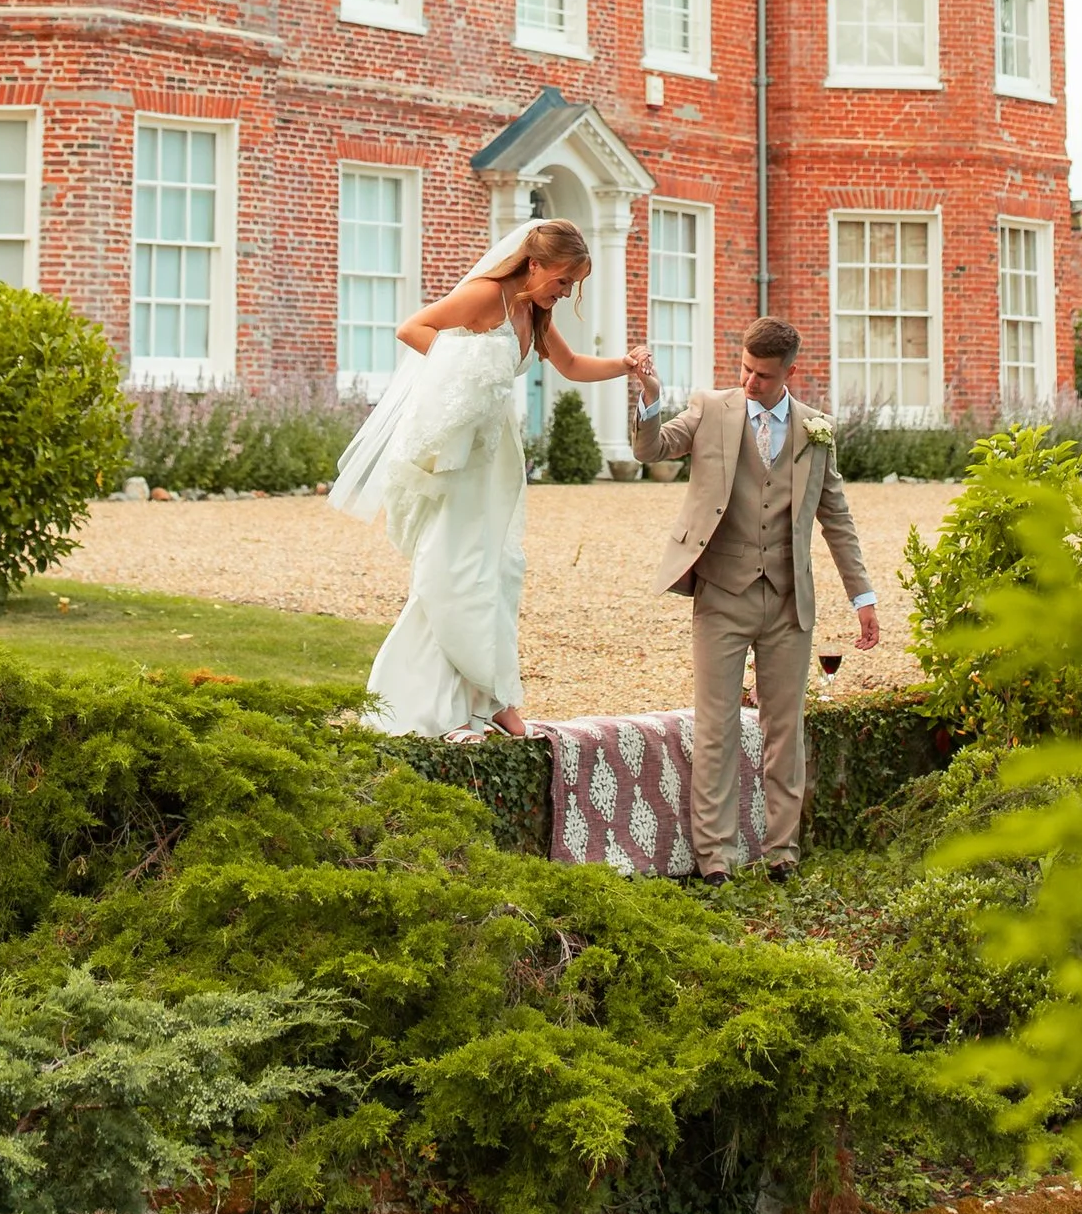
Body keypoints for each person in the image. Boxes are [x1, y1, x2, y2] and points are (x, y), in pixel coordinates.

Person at [330, 218, 650, 737]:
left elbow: (568, 365)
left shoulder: (534, 310)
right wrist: (467, 375)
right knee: (453, 567)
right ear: (535, 264)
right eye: (563, 281)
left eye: (572, 285)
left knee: (498, 569)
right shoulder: (486, 295)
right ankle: (447, 698)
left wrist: (625, 365)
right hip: (460, 451)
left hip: (496, 453)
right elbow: (413, 328)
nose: (565, 293)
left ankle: (491, 696)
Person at [630, 313, 879, 878]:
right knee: (715, 728)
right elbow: (653, 449)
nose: (749, 383)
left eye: (762, 376)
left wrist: (862, 597)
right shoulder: (710, 409)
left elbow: (836, 519)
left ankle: (782, 854)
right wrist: (648, 399)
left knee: (785, 733)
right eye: (744, 369)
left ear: (790, 372)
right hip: (721, 592)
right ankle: (715, 858)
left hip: (790, 601)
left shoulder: (817, 430)